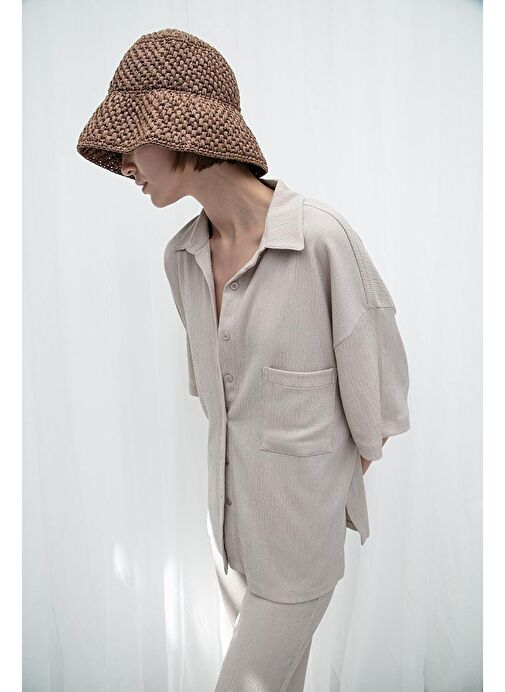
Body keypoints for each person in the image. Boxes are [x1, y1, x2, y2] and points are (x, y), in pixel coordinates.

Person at [77, 28, 410, 692]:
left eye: (130, 140)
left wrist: (313, 498)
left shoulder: (321, 241)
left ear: (179, 130)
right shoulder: (181, 259)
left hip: (299, 544)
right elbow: (221, 403)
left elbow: (379, 406)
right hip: (228, 534)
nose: (124, 164)